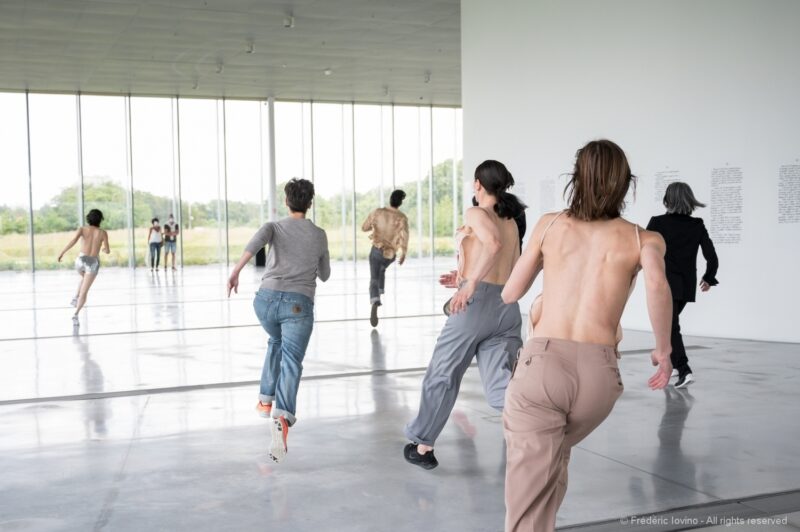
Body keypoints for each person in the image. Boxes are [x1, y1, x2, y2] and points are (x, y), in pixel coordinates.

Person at [500, 139, 673, 532]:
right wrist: (663, 350)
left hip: (543, 368)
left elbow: (511, 292)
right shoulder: (643, 239)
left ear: (576, 178)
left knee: (526, 496)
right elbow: (658, 287)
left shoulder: (550, 224)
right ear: (625, 184)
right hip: (599, 376)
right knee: (552, 463)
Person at [403, 160, 525, 470]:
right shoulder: (512, 219)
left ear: (477, 184)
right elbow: (508, 258)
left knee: (442, 375)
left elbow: (492, 245)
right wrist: (460, 276)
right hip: (507, 307)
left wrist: (470, 286)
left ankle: (423, 445)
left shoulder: (477, 212)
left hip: (475, 306)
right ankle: (537, 427)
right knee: (502, 386)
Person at [227, 178, 330, 463]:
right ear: (309, 203)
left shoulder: (273, 227)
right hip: (298, 304)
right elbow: (324, 274)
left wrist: (235, 272)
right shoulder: (319, 234)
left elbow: (254, 244)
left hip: (265, 301)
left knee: (275, 340)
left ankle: (264, 399)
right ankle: (281, 417)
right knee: (291, 360)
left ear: (286, 201)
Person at [647, 182, 718, 388]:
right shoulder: (696, 225)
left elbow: (644, 250)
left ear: (668, 199)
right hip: (686, 285)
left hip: (664, 284)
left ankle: (684, 369)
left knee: (670, 327)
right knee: (670, 326)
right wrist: (708, 277)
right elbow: (712, 257)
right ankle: (677, 367)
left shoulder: (657, 223)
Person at [361, 189, 409, 327]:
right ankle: (380, 291)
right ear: (400, 203)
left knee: (374, 278)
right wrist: (403, 253)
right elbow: (405, 237)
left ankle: (375, 299)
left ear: (390, 199)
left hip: (377, 250)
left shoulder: (377, 212)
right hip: (390, 254)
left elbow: (364, 228)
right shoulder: (402, 217)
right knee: (382, 269)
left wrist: (375, 227)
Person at [57, 209, 110, 327]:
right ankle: (75, 314)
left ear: (88, 218)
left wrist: (62, 252)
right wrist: (103, 249)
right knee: (84, 292)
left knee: (84, 279)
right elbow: (107, 251)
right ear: (100, 219)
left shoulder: (82, 229)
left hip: (80, 260)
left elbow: (73, 241)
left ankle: (75, 297)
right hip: (92, 262)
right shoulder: (102, 233)